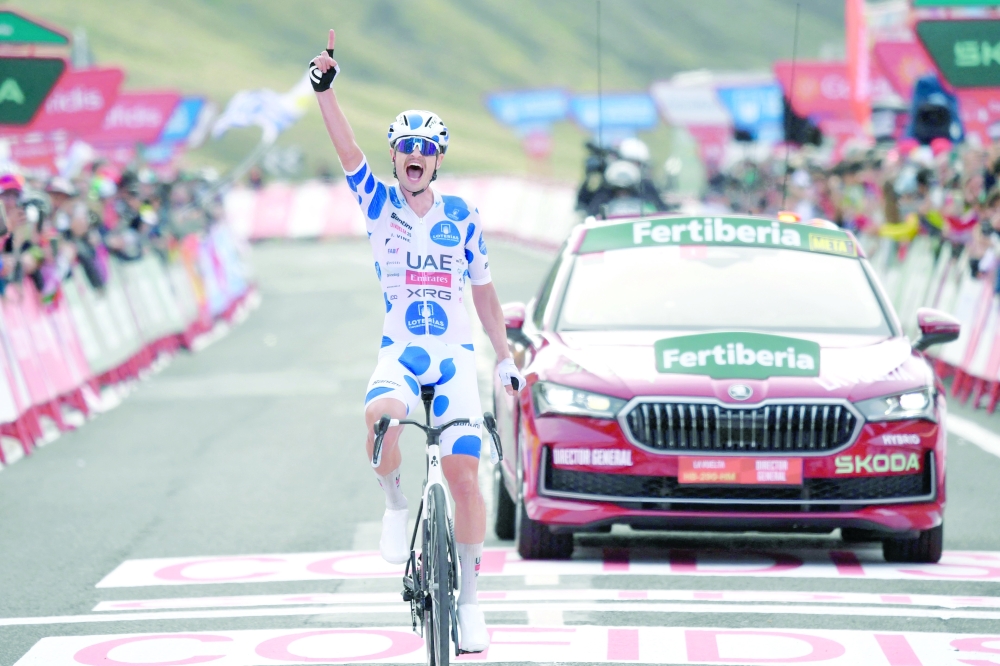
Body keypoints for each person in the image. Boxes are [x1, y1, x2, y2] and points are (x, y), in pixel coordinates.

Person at [309, 29, 524, 654]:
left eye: (425, 148)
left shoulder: (462, 217)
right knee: (380, 415)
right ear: (397, 155)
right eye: (405, 146)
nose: (414, 154)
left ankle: (473, 602)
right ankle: (396, 503)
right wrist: (324, 91)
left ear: (437, 160)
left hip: (456, 357)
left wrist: (505, 359)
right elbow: (348, 152)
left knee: (465, 475)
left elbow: (484, 295)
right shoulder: (378, 204)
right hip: (401, 352)